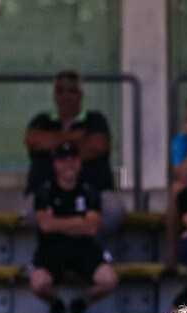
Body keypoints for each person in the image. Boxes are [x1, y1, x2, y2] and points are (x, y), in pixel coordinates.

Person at [24, 70, 123, 240]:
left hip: (95, 194)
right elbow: (34, 140)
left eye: (71, 91)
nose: (66, 96)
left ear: (80, 95)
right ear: (55, 95)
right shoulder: (41, 120)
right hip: (46, 195)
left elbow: (98, 145)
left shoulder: (95, 120)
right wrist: (76, 137)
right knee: (31, 212)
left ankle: (87, 251)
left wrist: (54, 143)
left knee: (113, 210)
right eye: (60, 91)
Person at [29, 141, 118, 313]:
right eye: (63, 159)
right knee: (38, 283)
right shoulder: (45, 190)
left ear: (79, 162)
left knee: (110, 279)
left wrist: (58, 221)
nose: (68, 163)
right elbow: (46, 226)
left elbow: (91, 228)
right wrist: (79, 221)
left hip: (83, 247)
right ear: (55, 164)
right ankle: (57, 302)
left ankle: (81, 302)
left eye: (73, 158)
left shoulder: (89, 190)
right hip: (52, 247)